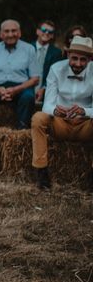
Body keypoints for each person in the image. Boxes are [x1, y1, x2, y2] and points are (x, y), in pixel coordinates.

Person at [31, 35, 93, 189]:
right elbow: (47, 106)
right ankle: (41, 172)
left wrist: (83, 110)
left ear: (90, 59)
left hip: (85, 126)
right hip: (60, 124)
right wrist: (56, 111)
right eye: (74, 58)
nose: (78, 64)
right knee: (38, 118)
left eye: (83, 59)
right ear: (67, 55)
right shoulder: (56, 68)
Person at [0, 19, 40, 129]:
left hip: (21, 87)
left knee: (28, 98)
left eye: (13, 31)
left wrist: (16, 89)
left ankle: (22, 132)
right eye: (6, 31)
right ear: (1, 34)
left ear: (19, 33)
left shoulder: (29, 49)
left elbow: (35, 79)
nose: (10, 34)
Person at [33, 20, 62, 104]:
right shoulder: (27, 48)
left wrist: (44, 88)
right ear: (37, 31)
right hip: (27, 87)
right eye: (43, 29)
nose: (46, 33)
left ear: (52, 35)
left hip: (46, 89)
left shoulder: (56, 53)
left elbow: (55, 74)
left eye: (50, 32)